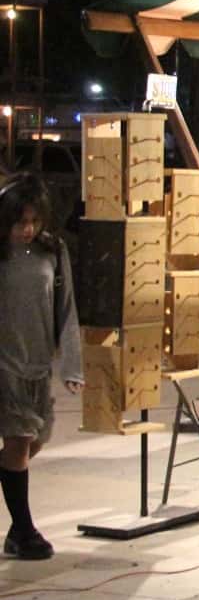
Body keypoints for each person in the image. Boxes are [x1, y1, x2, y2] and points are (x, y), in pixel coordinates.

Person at [0, 174, 84, 560]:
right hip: (5, 365)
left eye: (34, 221)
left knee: (38, 437)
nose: (28, 229)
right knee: (17, 443)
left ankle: (18, 528)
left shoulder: (53, 252)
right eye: (20, 222)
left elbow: (66, 310)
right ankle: (24, 530)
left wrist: (72, 365)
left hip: (38, 365)